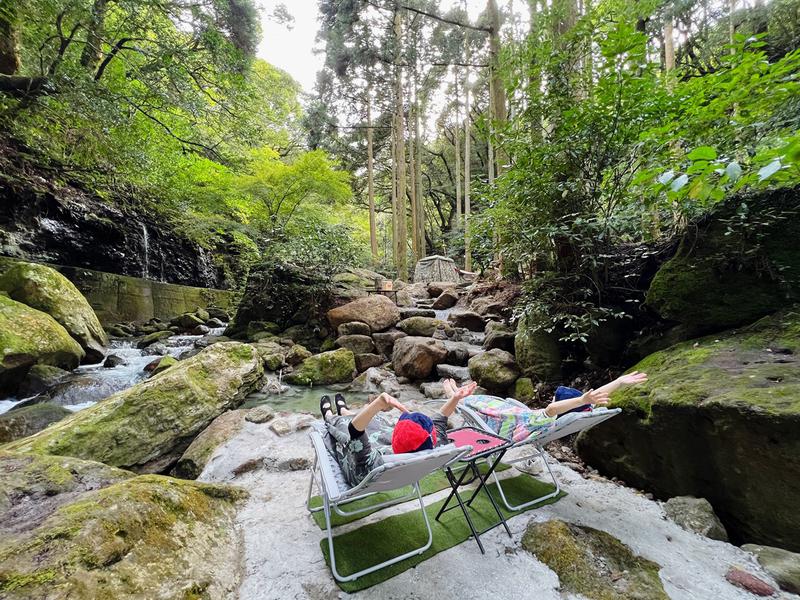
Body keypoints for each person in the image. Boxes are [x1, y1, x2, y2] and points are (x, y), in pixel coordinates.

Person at [320, 379, 477, 487]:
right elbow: (440, 419)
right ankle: (345, 410)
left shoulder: (374, 463)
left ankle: (330, 416)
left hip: (360, 478)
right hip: (401, 471)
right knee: (375, 425)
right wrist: (455, 398)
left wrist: (379, 403)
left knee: (346, 432)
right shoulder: (436, 446)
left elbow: (354, 429)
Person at [452, 371, 649, 443]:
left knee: (471, 404)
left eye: (555, 398)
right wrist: (620, 382)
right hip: (522, 414)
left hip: (509, 422)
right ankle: (456, 394)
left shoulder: (546, 417)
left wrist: (581, 401)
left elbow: (554, 409)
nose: (552, 401)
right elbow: (593, 399)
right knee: (491, 401)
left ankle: (453, 396)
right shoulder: (579, 413)